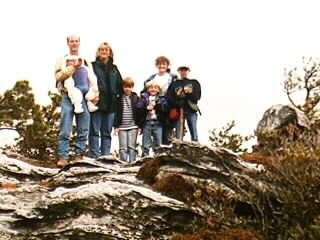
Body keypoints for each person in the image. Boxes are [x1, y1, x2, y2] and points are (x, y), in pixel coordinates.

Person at [54, 34, 98, 167]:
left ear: (79, 43)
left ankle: (79, 155)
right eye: (71, 41)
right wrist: (73, 67)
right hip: (68, 95)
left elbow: (92, 78)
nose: (74, 43)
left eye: (76, 41)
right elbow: (58, 76)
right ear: (68, 43)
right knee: (65, 126)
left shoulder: (85, 60)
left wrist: (96, 94)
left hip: (84, 96)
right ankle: (63, 156)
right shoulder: (62, 59)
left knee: (84, 126)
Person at [89, 42, 123, 159]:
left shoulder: (114, 68)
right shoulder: (92, 66)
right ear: (98, 52)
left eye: (106, 50)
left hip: (111, 104)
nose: (104, 51)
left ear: (110, 53)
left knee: (107, 132)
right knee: (94, 131)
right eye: (101, 49)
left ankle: (105, 156)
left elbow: (120, 85)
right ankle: (94, 156)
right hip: (97, 103)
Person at [142, 56, 177, 145]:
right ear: (156, 65)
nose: (162, 66)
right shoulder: (152, 78)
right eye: (160, 64)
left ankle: (166, 153)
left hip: (167, 106)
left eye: (164, 64)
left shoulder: (172, 77)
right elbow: (145, 91)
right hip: (155, 107)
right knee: (155, 135)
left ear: (167, 65)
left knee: (167, 132)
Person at [166, 66, 201, 142]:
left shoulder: (194, 82)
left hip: (191, 109)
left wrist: (189, 93)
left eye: (185, 70)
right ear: (179, 71)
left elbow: (197, 97)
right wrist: (178, 99)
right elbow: (169, 98)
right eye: (182, 70)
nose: (183, 72)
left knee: (194, 132)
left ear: (188, 71)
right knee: (179, 134)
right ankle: (179, 148)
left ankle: (195, 148)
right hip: (178, 111)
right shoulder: (174, 84)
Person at [114, 77, 142, 162]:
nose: (127, 89)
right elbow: (116, 113)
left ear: (132, 87)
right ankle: (123, 163)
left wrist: (140, 125)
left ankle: (132, 162)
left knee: (132, 146)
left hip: (133, 125)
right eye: (125, 86)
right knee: (123, 147)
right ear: (122, 87)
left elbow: (139, 112)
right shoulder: (119, 98)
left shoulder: (135, 97)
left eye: (129, 87)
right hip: (122, 126)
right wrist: (116, 126)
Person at [137, 81, 168, 157]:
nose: (153, 89)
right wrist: (146, 108)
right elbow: (138, 107)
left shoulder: (162, 98)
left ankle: (157, 159)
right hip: (147, 122)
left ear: (158, 90)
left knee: (158, 143)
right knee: (146, 143)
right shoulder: (144, 97)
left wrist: (157, 106)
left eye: (155, 88)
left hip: (158, 123)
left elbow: (165, 109)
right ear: (147, 89)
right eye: (151, 88)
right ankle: (145, 158)